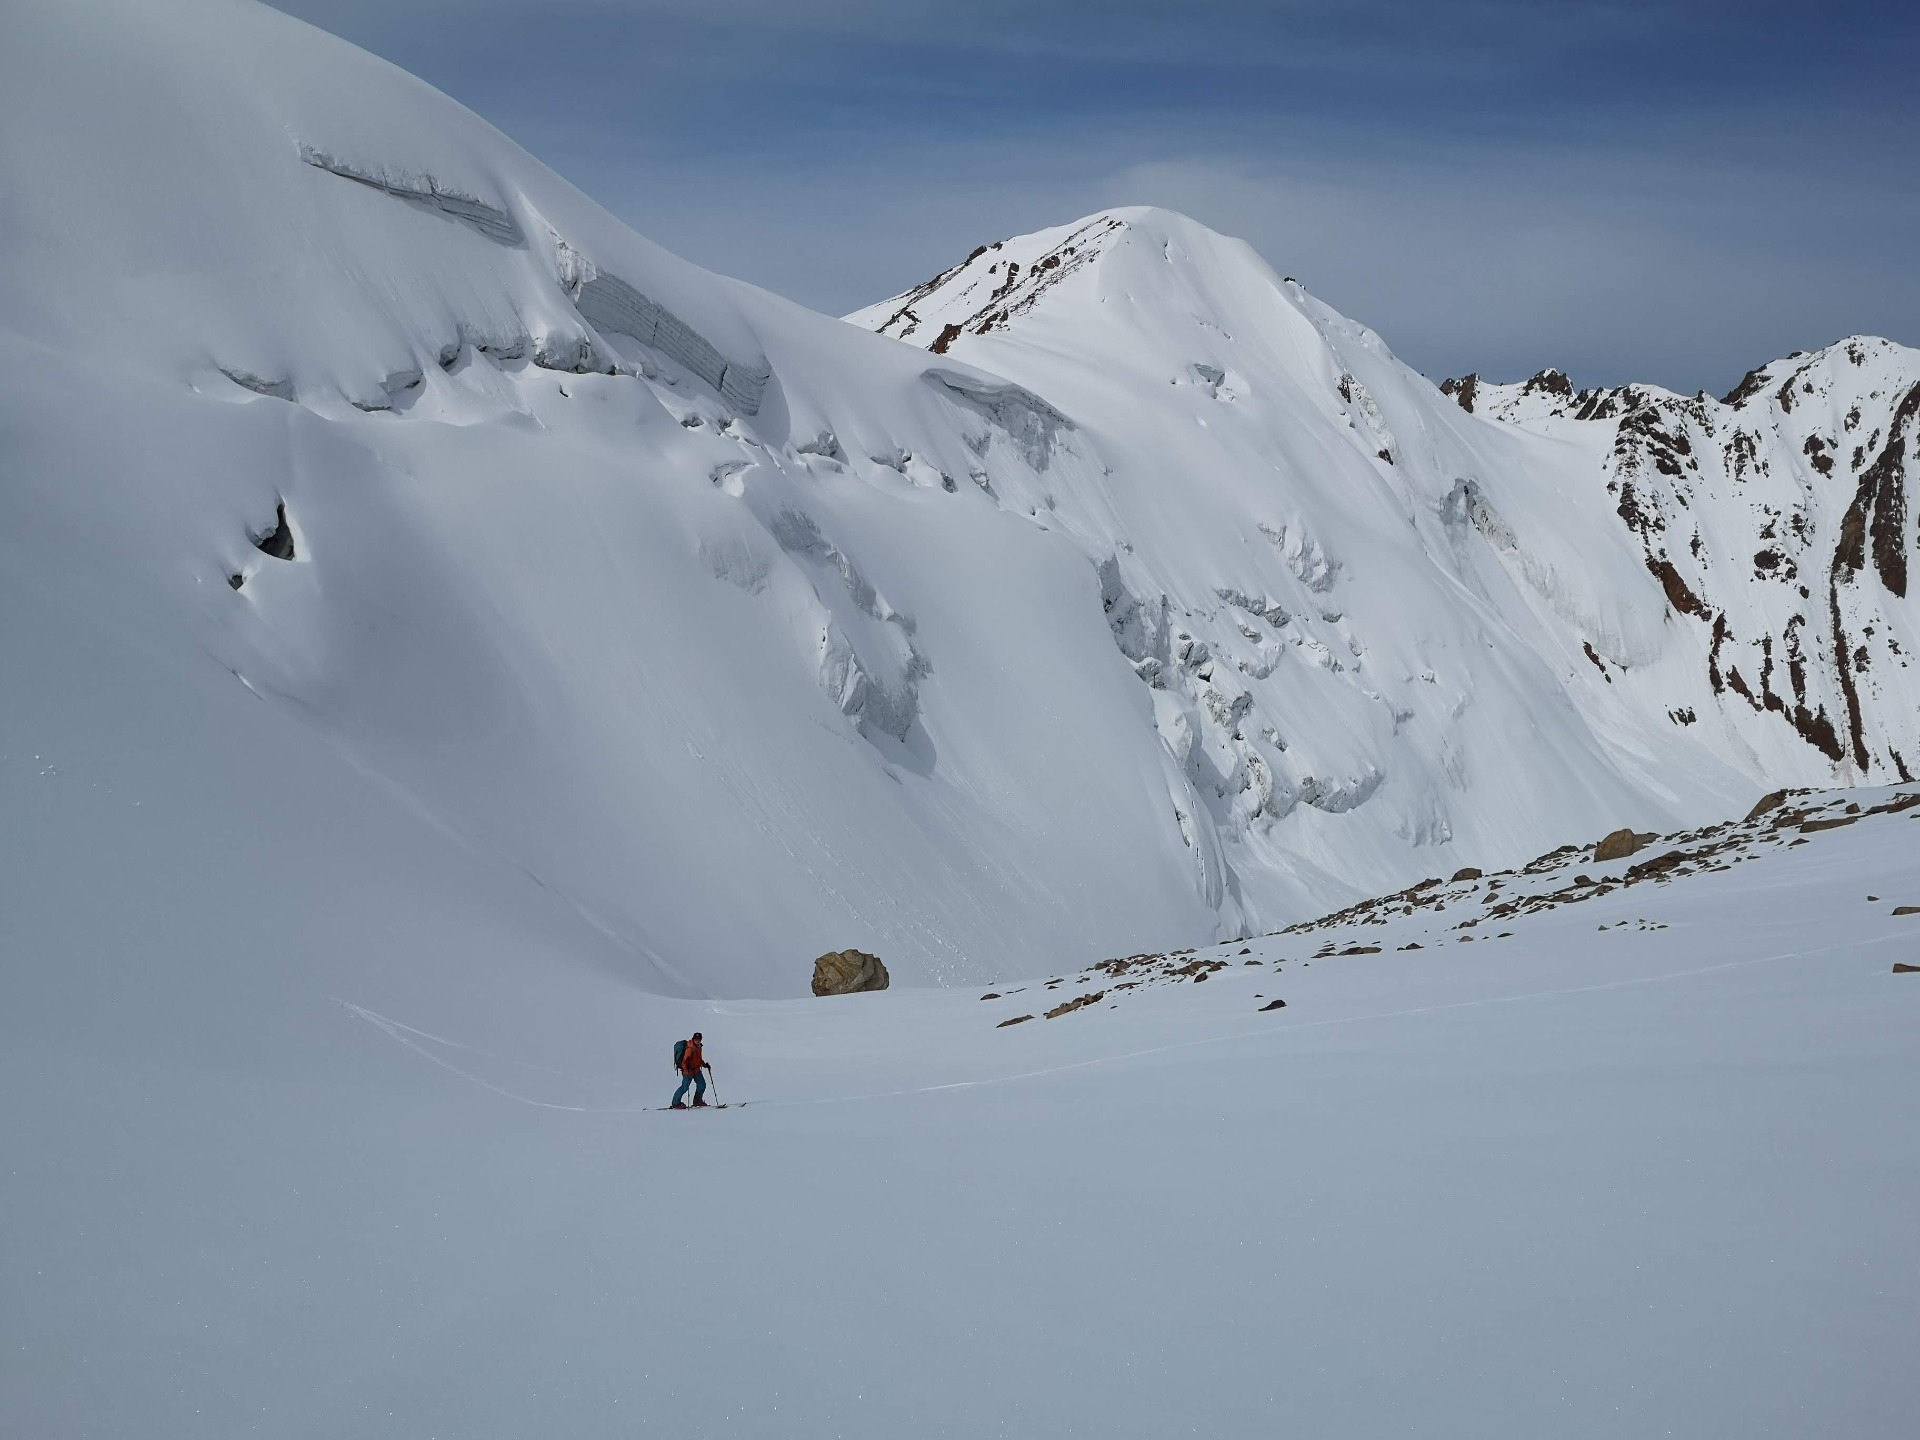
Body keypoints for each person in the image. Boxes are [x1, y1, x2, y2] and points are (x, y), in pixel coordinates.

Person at [671, 1031, 709, 1108]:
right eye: (696, 1039)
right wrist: (686, 1069)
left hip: (697, 1070)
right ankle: (675, 1103)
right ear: (693, 1039)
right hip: (688, 1071)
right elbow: (684, 1061)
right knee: (684, 1087)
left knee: (702, 1085)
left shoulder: (699, 1047)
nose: (698, 1040)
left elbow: (699, 1059)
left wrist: (705, 1065)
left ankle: (697, 1101)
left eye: (699, 1039)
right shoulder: (690, 1048)